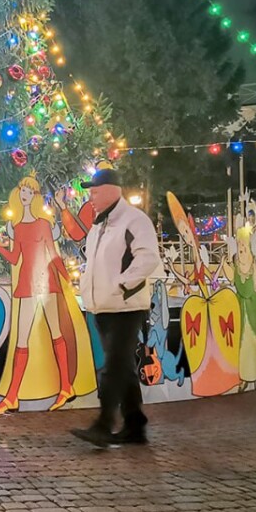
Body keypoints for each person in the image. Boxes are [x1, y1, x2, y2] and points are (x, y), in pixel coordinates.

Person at [0, 175, 96, 414]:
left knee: (56, 333)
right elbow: (14, 258)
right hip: (27, 286)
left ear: (35, 197)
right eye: (23, 190)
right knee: (22, 340)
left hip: (47, 284)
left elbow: (53, 254)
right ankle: (13, 397)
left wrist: (67, 282)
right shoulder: (17, 228)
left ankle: (64, 388)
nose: (25, 194)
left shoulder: (43, 224)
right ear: (18, 194)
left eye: (30, 192)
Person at [70, 168, 163, 448]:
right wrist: (89, 292)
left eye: (95, 192)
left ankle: (103, 424)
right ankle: (134, 425)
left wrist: (122, 287)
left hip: (125, 308)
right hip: (103, 308)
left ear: (112, 190)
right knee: (122, 368)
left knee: (114, 367)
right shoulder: (100, 225)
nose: (91, 197)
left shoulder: (134, 220)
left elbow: (148, 258)